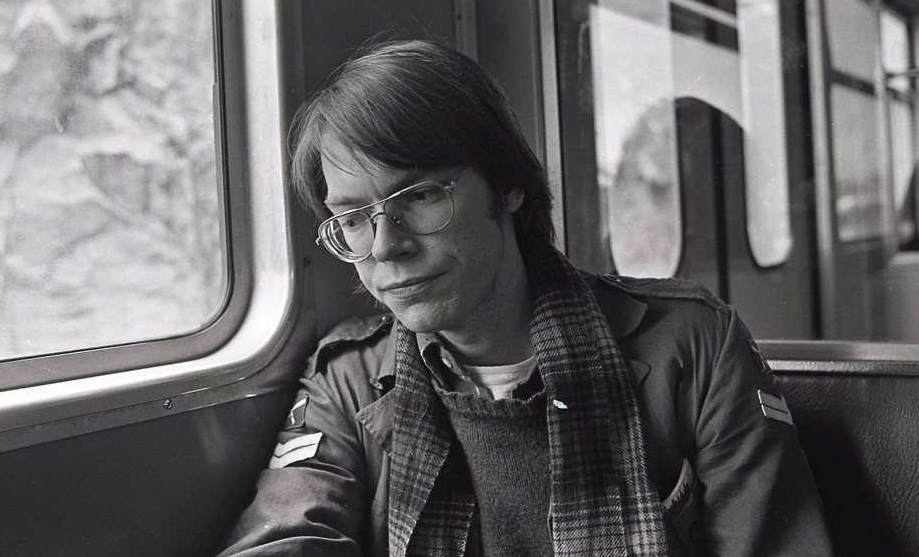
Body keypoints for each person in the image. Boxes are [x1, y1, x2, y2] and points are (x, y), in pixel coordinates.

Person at [218, 39, 833, 556]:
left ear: (508, 187)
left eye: (421, 197)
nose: (385, 246)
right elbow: (287, 538)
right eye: (354, 219)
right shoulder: (350, 376)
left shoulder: (692, 347)